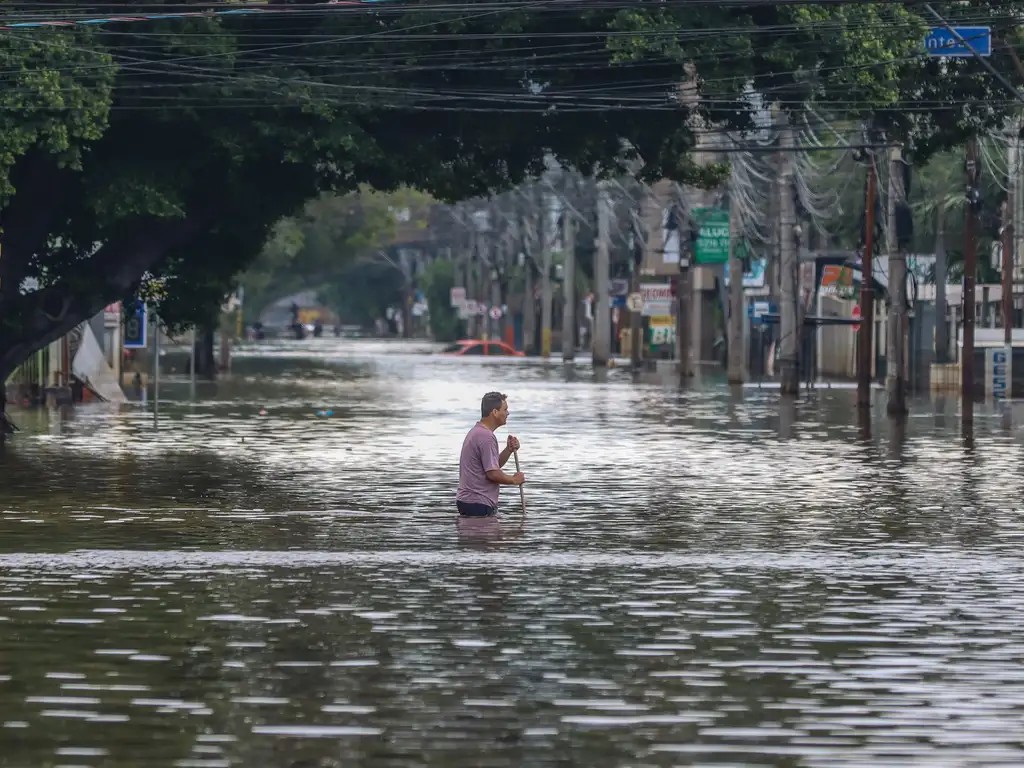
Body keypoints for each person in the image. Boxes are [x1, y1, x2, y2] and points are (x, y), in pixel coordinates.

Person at [456, 391, 525, 517]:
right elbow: (492, 474)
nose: (507, 413)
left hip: (469, 501)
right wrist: (514, 480)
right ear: (494, 412)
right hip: (477, 503)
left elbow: (492, 465)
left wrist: (508, 450)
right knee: (486, 537)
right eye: (505, 409)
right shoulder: (486, 436)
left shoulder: (478, 432)